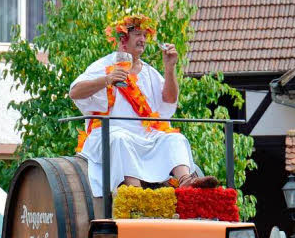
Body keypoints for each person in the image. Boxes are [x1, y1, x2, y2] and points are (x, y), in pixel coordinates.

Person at [69, 14, 216, 196]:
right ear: (123, 39)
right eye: (138, 34)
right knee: (121, 139)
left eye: (145, 35)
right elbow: (74, 91)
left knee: (174, 139)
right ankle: (136, 193)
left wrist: (170, 68)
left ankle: (185, 180)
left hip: (146, 136)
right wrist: (106, 79)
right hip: (110, 133)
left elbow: (169, 100)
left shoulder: (150, 73)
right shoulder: (105, 65)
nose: (143, 40)